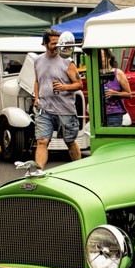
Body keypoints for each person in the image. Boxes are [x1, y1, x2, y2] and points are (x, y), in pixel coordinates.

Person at [33, 28, 83, 166]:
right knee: (42, 141)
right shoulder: (37, 61)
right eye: (53, 43)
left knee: (70, 141)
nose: (57, 46)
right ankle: (39, 171)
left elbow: (79, 84)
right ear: (45, 43)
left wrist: (64, 87)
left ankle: (79, 168)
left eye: (58, 43)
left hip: (65, 109)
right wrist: (36, 98)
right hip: (44, 109)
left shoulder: (67, 62)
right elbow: (37, 80)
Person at [100, 49, 131, 127]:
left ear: (109, 58)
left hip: (114, 114)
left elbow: (129, 94)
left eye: (101, 57)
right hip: (99, 114)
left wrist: (115, 93)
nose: (99, 60)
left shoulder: (118, 73)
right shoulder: (96, 73)